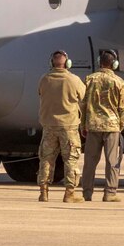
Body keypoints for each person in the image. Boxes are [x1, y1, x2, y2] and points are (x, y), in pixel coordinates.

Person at [37, 50, 86, 203]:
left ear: (51, 63)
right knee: (70, 160)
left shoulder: (44, 79)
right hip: (69, 127)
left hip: (49, 126)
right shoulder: (74, 80)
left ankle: (43, 193)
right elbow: (83, 97)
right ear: (68, 63)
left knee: (46, 159)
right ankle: (69, 194)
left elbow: (40, 93)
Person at [81, 49, 124, 202]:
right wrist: (120, 126)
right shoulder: (119, 82)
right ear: (114, 64)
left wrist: (83, 125)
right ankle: (110, 192)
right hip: (112, 126)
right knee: (112, 161)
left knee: (90, 162)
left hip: (93, 125)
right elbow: (123, 108)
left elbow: (83, 104)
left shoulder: (89, 79)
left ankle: (87, 193)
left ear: (99, 62)